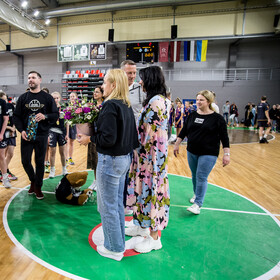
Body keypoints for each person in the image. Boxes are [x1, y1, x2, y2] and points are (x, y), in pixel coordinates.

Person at [77, 69, 138, 261]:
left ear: (112, 85)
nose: (102, 86)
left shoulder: (110, 105)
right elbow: (132, 138)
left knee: (108, 206)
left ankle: (114, 248)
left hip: (110, 160)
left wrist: (89, 139)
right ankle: (117, 241)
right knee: (116, 204)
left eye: (104, 82)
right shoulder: (126, 105)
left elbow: (108, 138)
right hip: (123, 159)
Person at [125, 66, 171, 254]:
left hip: (151, 154)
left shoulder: (156, 102)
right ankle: (141, 225)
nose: (140, 82)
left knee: (152, 190)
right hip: (148, 154)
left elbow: (146, 134)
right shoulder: (158, 99)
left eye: (142, 78)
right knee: (142, 189)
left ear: (150, 79)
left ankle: (154, 238)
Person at [173, 90, 230, 215]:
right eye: (197, 99)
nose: (198, 102)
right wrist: (176, 144)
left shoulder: (217, 118)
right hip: (192, 151)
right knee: (194, 175)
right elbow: (184, 131)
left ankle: (198, 204)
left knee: (201, 176)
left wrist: (226, 154)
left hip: (209, 153)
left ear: (208, 102)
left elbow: (224, 138)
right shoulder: (192, 115)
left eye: (201, 100)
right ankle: (197, 194)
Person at [13, 71, 58, 199]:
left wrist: (45, 116)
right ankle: (33, 180)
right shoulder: (23, 98)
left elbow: (55, 115)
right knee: (25, 161)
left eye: (33, 77)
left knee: (39, 162)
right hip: (27, 135)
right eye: (28, 78)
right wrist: (21, 130)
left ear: (40, 79)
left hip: (41, 135)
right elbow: (16, 116)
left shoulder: (47, 98)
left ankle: (38, 186)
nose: (30, 80)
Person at [0, 91, 18, 181]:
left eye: (5, 99)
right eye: (2, 100)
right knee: (3, 155)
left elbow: (14, 117)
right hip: (4, 132)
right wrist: (9, 127)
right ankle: (2, 173)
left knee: (11, 153)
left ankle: (3, 172)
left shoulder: (10, 106)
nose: (4, 101)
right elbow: (0, 122)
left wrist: (14, 127)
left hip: (12, 132)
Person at [48, 92, 68, 178]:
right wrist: (47, 135)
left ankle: (64, 169)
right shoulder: (49, 109)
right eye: (54, 98)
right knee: (52, 151)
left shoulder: (63, 108)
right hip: (52, 131)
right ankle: (52, 170)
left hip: (62, 132)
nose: (56, 100)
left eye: (57, 98)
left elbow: (67, 122)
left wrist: (67, 134)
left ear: (60, 98)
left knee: (62, 152)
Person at [87, 86, 103, 190]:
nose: (95, 94)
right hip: (92, 135)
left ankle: (100, 181)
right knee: (93, 160)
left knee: (99, 160)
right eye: (94, 92)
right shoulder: (91, 106)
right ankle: (95, 180)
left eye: (97, 92)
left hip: (100, 136)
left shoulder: (105, 105)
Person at [67, 92, 78, 165]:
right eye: (71, 96)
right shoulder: (66, 106)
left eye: (73, 96)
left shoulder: (78, 106)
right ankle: (65, 158)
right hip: (67, 125)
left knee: (71, 142)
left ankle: (70, 158)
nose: (72, 98)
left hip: (74, 125)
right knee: (66, 143)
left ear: (76, 97)